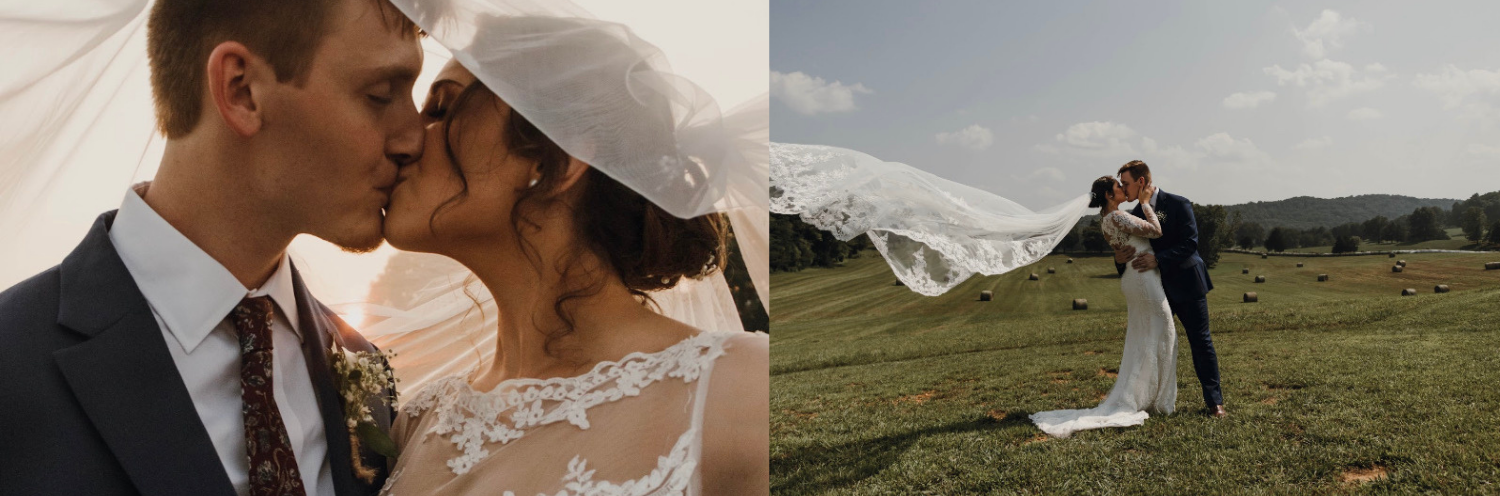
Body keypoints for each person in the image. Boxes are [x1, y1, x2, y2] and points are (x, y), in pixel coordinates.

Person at [0, 0, 422, 494]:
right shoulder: (12, 361)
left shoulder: (363, 366)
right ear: (240, 89)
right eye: (379, 94)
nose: (413, 138)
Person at [369, 13, 769, 496]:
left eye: (441, 108)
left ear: (555, 160)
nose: (406, 139)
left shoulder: (739, 391)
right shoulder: (417, 421)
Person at [1029, 175, 1177, 438]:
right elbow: (1156, 231)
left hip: (1134, 278)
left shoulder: (1106, 220)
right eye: (1118, 187)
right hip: (1143, 280)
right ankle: (1154, 400)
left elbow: (1126, 245)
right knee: (1164, 331)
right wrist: (1145, 204)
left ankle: (1147, 396)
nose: (1123, 189)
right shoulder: (1117, 217)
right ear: (1109, 195)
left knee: (1144, 337)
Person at [1114, 160, 1226, 418]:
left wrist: (1159, 259)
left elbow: (1190, 243)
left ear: (1141, 181)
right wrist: (1119, 260)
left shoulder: (1179, 204)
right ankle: (1150, 400)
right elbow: (1129, 251)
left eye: (1126, 183)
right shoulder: (1132, 215)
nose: (1123, 188)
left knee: (1201, 342)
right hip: (1156, 291)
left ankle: (1215, 402)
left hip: (1188, 284)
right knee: (1151, 345)